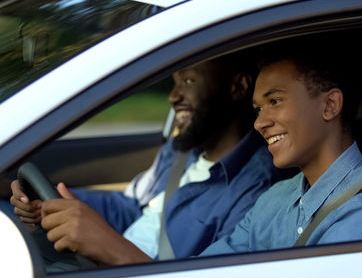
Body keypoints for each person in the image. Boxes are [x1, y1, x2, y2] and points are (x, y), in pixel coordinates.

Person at [10, 53, 295, 267]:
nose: (173, 96)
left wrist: (109, 247)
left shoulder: (258, 189)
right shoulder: (181, 149)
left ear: (237, 87)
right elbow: (132, 207)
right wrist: (52, 206)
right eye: (174, 83)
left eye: (189, 80)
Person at [201, 38, 362, 256]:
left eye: (275, 101)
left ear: (329, 106)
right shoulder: (273, 199)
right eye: (258, 110)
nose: (259, 123)